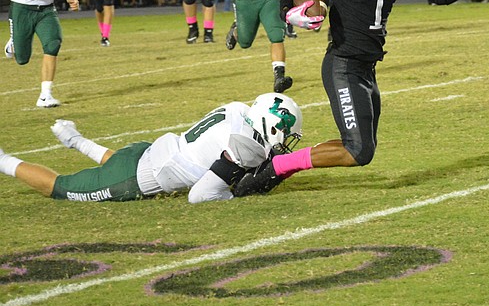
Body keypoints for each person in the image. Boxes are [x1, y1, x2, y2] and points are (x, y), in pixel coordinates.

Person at [243, 0, 483, 196]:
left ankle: (279, 164)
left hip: (368, 68)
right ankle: (277, 167)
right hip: (343, 63)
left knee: (361, 148)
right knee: (357, 150)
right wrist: (294, 12)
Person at [0, 93, 303, 203]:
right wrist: (234, 197)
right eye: (286, 131)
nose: (286, 139)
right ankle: (3, 161)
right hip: (139, 176)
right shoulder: (244, 147)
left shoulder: (238, 110)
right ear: (271, 125)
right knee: (60, 187)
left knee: (118, 164)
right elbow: (201, 196)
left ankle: (75, 140)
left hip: (150, 152)